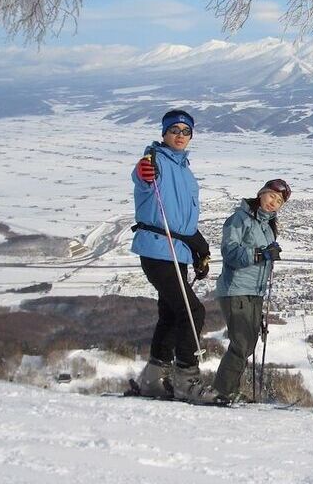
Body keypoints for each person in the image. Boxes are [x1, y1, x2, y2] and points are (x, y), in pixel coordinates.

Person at [131, 109, 219, 404]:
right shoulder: (154, 162)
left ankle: (153, 379)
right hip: (157, 248)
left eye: (186, 131)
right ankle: (186, 379)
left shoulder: (185, 170)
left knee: (171, 313)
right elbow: (143, 176)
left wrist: (198, 247)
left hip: (177, 249)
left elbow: (183, 220)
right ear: (164, 133)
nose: (180, 136)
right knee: (193, 312)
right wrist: (144, 174)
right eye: (175, 130)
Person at [211, 179, 291, 403]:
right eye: (271, 196)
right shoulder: (241, 219)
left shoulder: (266, 225)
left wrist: (267, 253)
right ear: (261, 193)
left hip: (255, 291)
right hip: (236, 288)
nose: (273, 203)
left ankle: (229, 390)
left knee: (247, 344)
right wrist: (260, 254)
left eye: (279, 201)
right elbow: (230, 252)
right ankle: (221, 392)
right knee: (241, 343)